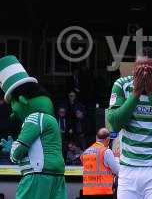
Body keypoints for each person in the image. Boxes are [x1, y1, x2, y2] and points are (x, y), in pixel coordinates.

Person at [107, 56, 152, 199]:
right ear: (133, 71)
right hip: (128, 167)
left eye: (149, 72)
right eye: (140, 71)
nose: (144, 75)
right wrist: (136, 93)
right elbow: (115, 124)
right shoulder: (122, 84)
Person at [0, 55, 66, 199]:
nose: (12, 112)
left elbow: (18, 152)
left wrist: (13, 148)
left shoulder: (34, 118)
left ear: (22, 100)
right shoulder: (52, 120)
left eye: (12, 104)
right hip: (57, 176)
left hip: (37, 176)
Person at [81, 128, 119, 198]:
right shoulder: (106, 151)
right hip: (103, 192)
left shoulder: (85, 152)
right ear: (108, 139)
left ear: (96, 137)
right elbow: (117, 171)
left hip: (87, 192)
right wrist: (116, 158)